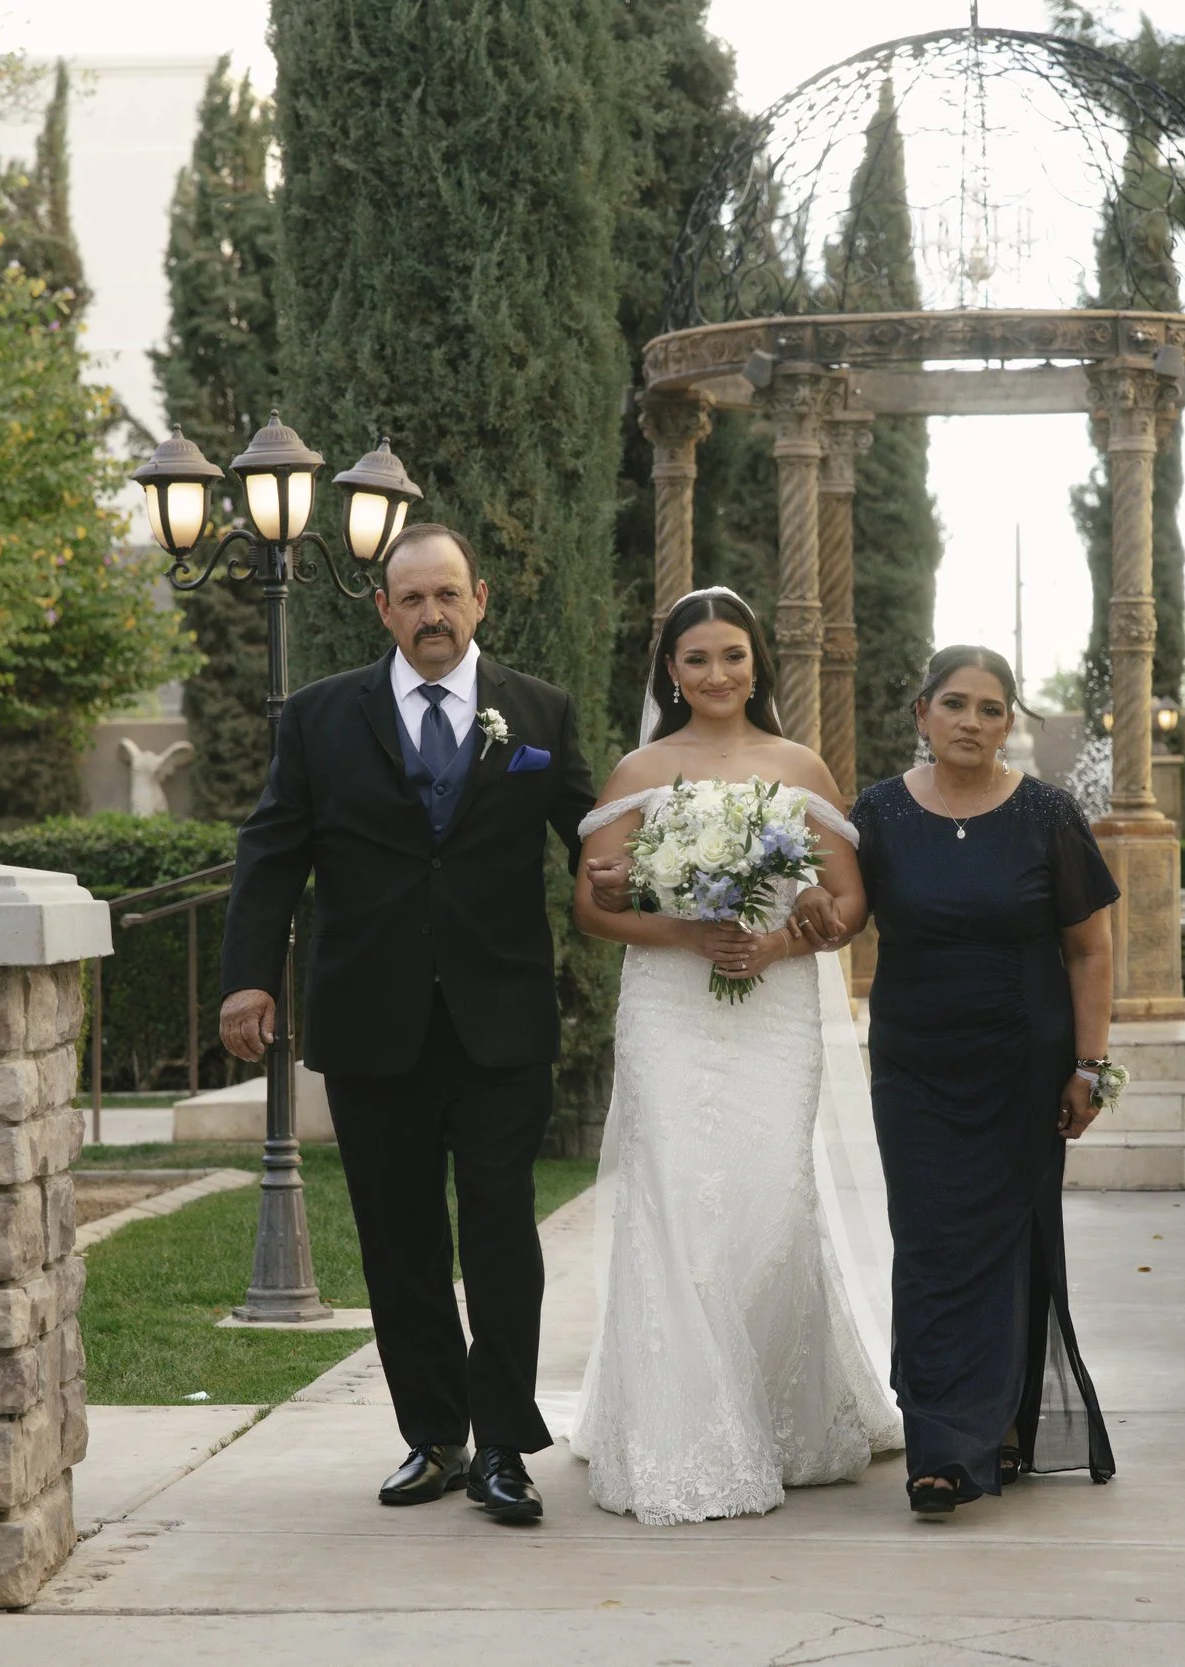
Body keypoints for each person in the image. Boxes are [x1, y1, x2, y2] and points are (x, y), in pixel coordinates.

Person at [217, 522, 594, 1526]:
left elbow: (596, 839)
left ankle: (504, 1443)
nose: (432, 614)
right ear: (383, 609)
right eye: (412, 598)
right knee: (400, 1239)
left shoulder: (540, 711)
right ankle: (434, 1436)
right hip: (371, 1021)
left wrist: (687, 886)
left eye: (448, 594)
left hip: (500, 1020)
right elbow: (270, 850)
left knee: (501, 1232)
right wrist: (248, 980)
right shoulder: (319, 716)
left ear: (481, 599)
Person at [565, 587, 898, 1524]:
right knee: (675, 1195)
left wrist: (785, 940)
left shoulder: (799, 766)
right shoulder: (640, 770)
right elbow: (592, 905)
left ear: (757, 665)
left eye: (733, 655)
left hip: (773, 1011)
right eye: (698, 658)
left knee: (770, 1192)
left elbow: (848, 902)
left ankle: (781, 1413)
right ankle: (679, 1431)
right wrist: (683, 931)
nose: (717, 673)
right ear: (670, 672)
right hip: (670, 1007)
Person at [847, 645, 1121, 1515]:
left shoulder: (1047, 813)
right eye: (955, 704)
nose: (971, 721)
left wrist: (1090, 1065)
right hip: (914, 1066)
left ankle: (988, 1428)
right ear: (922, 714)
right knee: (928, 1242)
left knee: (1005, 1242)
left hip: (1023, 1063)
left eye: (991, 708)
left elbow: (1090, 948)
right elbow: (840, 914)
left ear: (1009, 724)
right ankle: (939, 1442)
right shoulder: (878, 812)